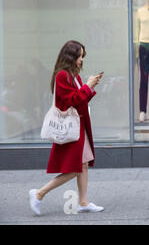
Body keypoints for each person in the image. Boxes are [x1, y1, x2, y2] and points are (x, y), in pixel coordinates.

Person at [29, 40, 104, 216]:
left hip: (79, 126)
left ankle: (83, 202)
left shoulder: (73, 75)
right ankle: (39, 193)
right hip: (72, 128)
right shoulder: (62, 75)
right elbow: (70, 101)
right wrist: (88, 86)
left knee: (83, 165)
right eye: (79, 56)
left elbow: (79, 99)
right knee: (75, 168)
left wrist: (89, 88)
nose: (81, 60)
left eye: (82, 56)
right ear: (71, 56)